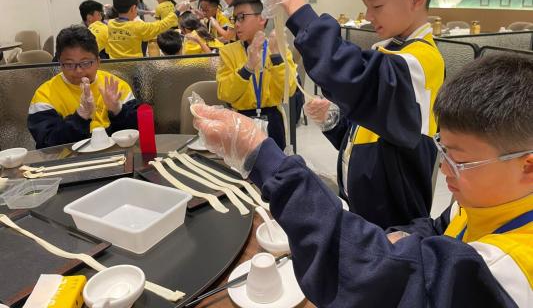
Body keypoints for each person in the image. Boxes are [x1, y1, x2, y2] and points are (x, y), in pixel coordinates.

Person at [193, 54, 533, 307]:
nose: (444, 169)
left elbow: (379, 283)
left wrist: (263, 158)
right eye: (442, 151)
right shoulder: (486, 199)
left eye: (460, 161)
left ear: (527, 166)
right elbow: (442, 227)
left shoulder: (511, 269)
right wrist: (405, 235)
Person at [254, 0, 445, 229]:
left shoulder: (423, 62)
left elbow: (353, 77)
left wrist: (292, 0)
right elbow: (370, 132)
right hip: (363, 208)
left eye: (377, 5)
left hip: (394, 223)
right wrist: (334, 122)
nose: (368, 16)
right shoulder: (390, 51)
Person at [28, 26, 138, 149]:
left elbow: (137, 132)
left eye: (86, 63)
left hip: (116, 155)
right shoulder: (44, 95)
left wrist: (118, 110)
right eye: (69, 64)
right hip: (70, 159)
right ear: (60, 63)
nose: (78, 71)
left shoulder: (116, 86)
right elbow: (47, 144)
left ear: (98, 61)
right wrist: (81, 116)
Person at [216, 0, 297, 150]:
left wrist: (276, 57)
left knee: (274, 163)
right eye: (234, 19)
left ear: (262, 18)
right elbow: (225, 93)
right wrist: (247, 68)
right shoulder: (228, 52)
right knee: (242, 164)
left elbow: (289, 90)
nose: (236, 24)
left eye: (242, 17)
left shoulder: (278, 48)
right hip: (241, 118)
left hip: (273, 120)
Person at [106, 0, 178, 59]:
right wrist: (177, 12)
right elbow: (160, 25)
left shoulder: (110, 24)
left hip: (114, 65)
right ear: (133, 8)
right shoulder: (137, 26)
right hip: (134, 65)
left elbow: (107, 49)